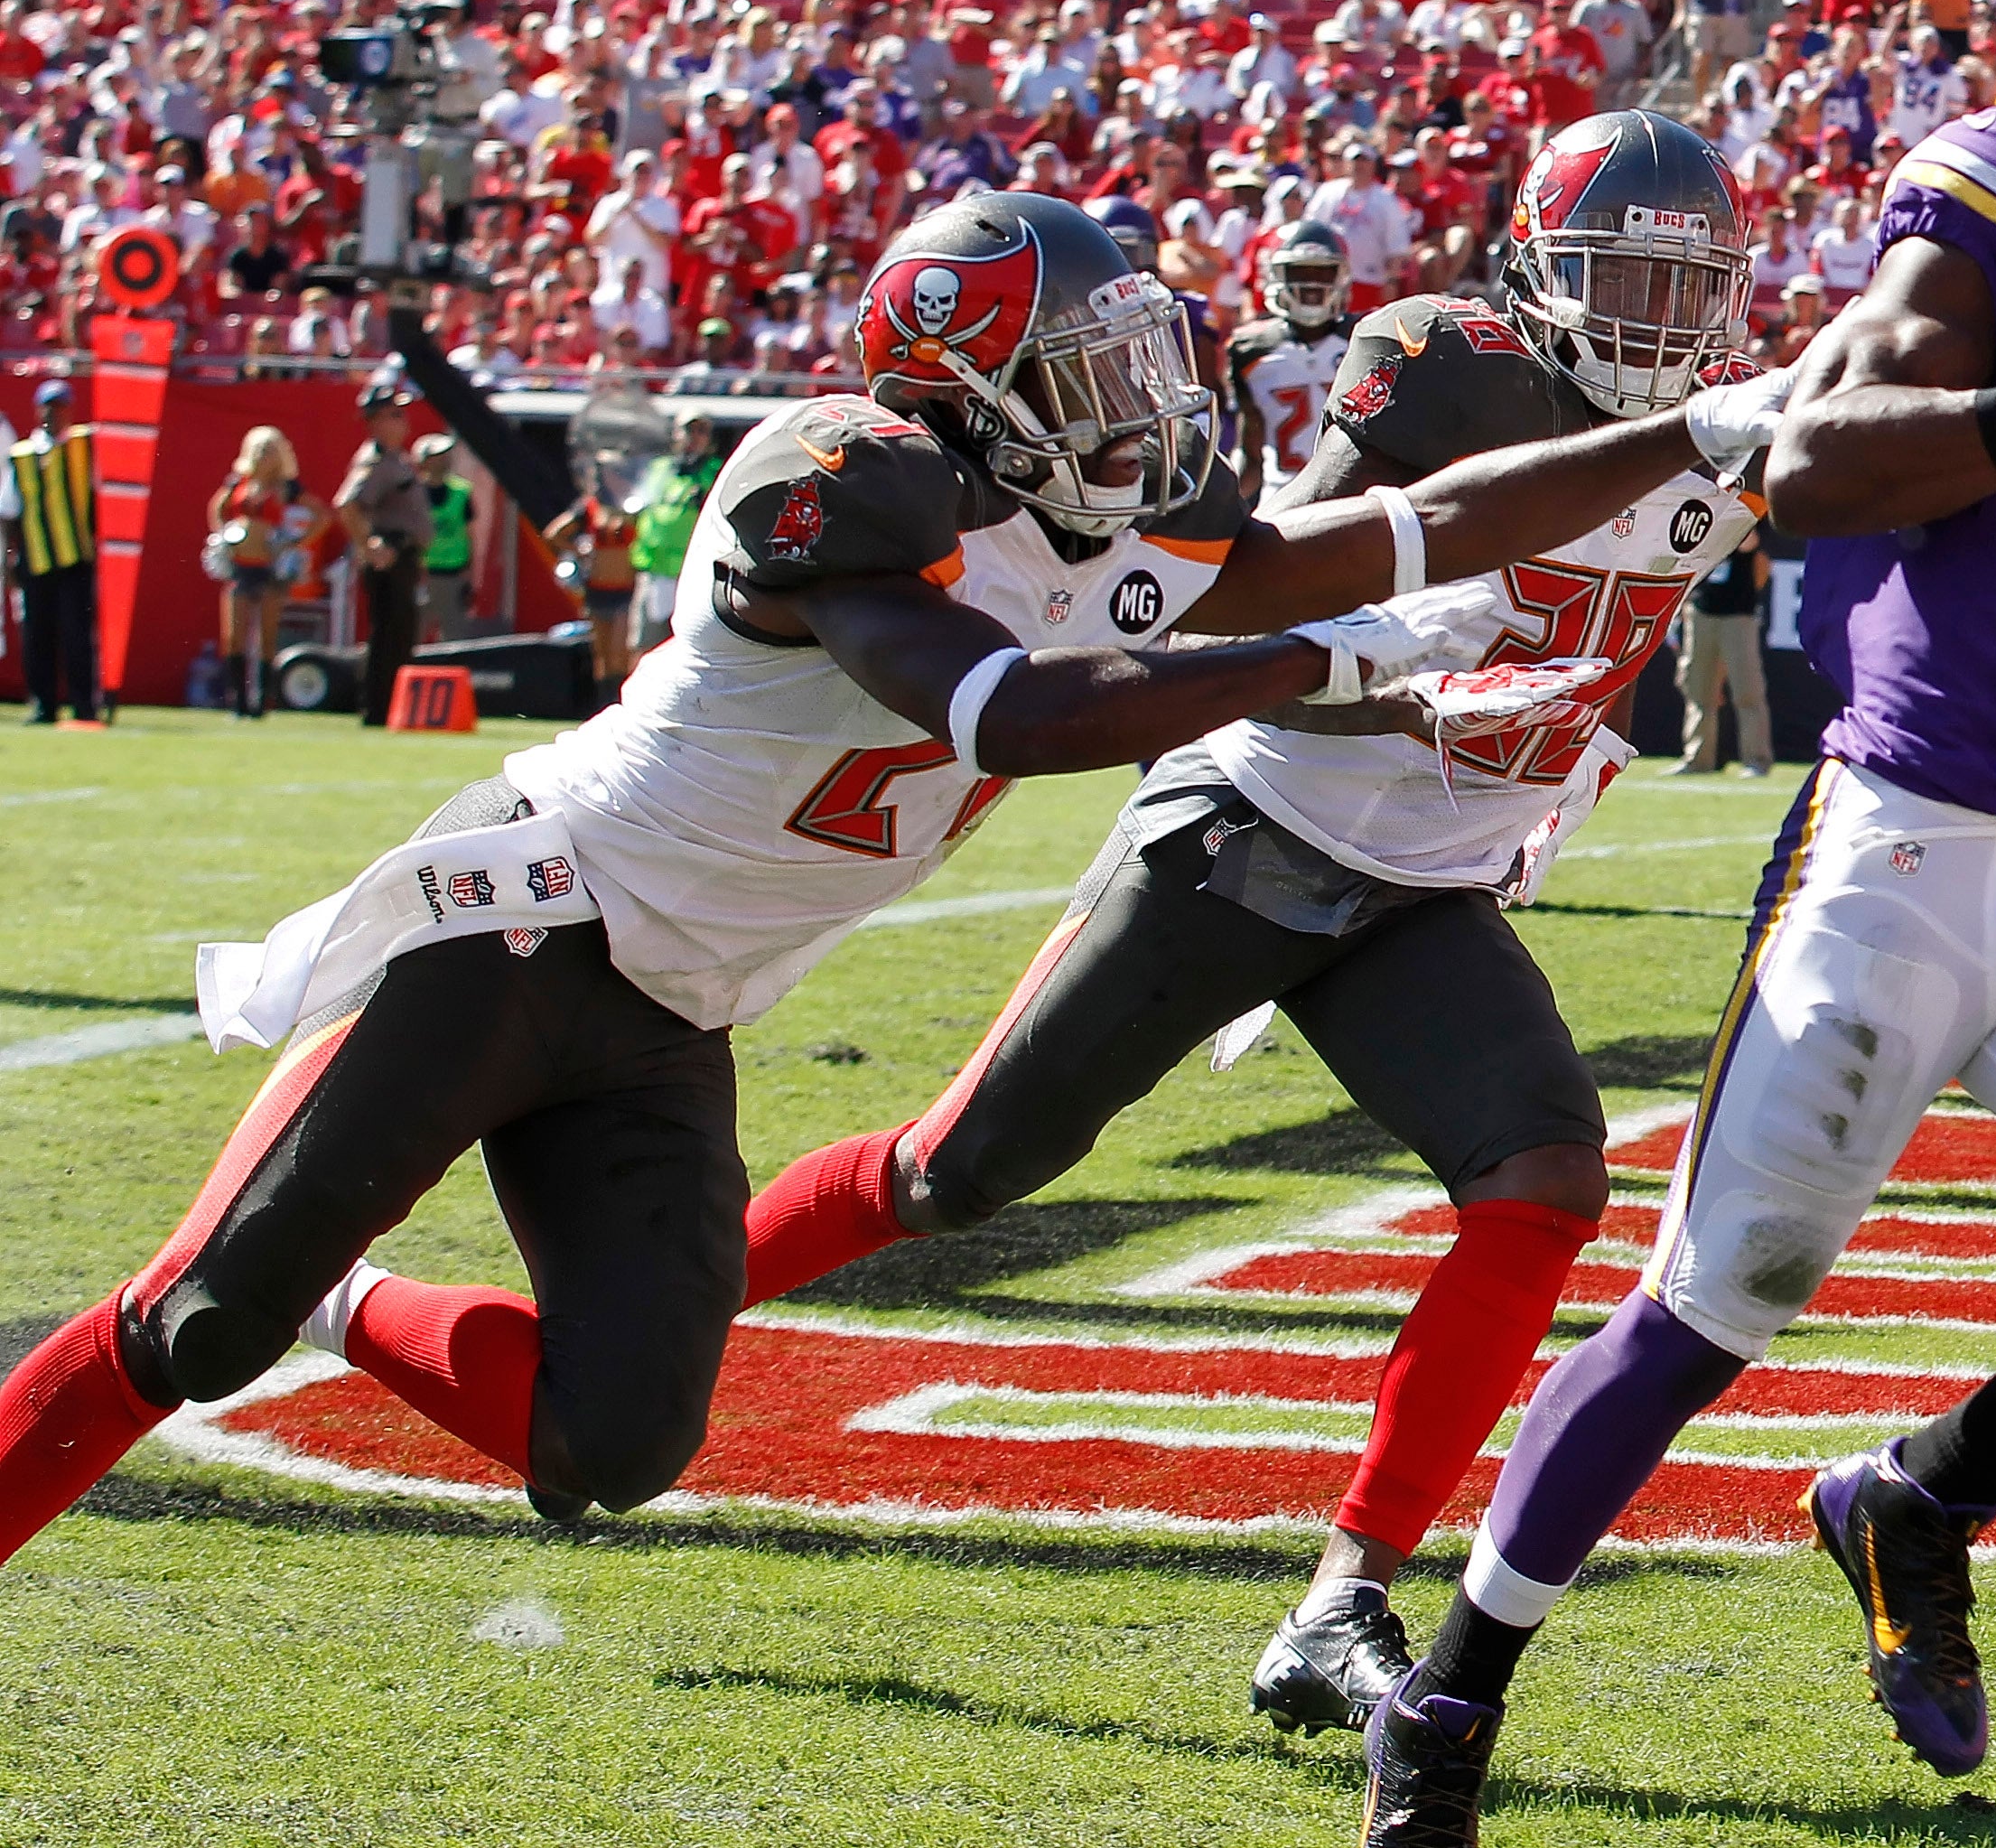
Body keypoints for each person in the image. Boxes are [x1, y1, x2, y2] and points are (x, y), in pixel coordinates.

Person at [0, 189, 1789, 1572]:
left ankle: (343, 1294)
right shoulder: (842, 483)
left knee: (615, 1449)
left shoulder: (1105, 529)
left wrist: (1689, 440)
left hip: (669, 1017)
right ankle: (246, 1311)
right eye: (1088, 378)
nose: (1137, 410)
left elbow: (1409, 529)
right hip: (521, 933)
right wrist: (1313, 665)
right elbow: (1004, 710)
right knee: (194, 1325)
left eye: (1135, 362)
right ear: (975, 390)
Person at [1360, 14, 1996, 1843]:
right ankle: (1447, 1699)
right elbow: (1811, 473)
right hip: (1896, 830)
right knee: (1716, 1300)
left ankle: (1921, 1496)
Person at [1227, 220, 1356, 498]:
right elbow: (1251, 450)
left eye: (1323, 273)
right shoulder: (1250, 349)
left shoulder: (1365, 338)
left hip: (1353, 496)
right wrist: (1226, 507)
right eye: (1300, 272)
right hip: (1282, 496)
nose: (1311, 285)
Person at [337, 373, 432, 727]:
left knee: (400, 634)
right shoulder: (375, 460)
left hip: (404, 556)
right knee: (388, 635)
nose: (403, 421)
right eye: (394, 414)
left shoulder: (395, 457)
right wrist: (369, 544)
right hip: (390, 557)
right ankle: (378, 709)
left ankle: (392, 706)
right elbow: (347, 504)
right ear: (374, 421)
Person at [4, 378, 98, 725]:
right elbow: (11, 512)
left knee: (77, 635)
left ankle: (83, 705)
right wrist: (12, 561)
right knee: (36, 636)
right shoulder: (22, 455)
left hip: (76, 558)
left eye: (59, 407)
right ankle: (43, 705)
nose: (52, 414)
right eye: (48, 406)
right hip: (36, 559)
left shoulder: (83, 446)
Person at [202, 425, 311, 720]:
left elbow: (321, 515)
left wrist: (293, 541)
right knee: (233, 637)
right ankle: (238, 702)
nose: (265, 457)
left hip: (270, 567)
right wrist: (223, 536)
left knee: (266, 637)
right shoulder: (239, 481)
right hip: (240, 565)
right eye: (260, 450)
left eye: (271, 451)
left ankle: (263, 701)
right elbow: (217, 508)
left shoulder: (287, 486)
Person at [1674, 517, 1773, 776]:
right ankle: (1697, 759)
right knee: (1698, 690)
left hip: (1738, 614)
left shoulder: (1748, 513)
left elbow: (1748, 545)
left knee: (1747, 691)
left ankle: (1756, 760)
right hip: (1701, 610)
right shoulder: (1704, 514)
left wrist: (1729, 521)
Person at [627, 415, 722, 665]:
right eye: (689, 430)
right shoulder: (659, 468)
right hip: (654, 571)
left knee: (687, 646)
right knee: (644, 645)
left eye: (702, 431)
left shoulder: (715, 471)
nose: (694, 437)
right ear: (676, 434)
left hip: (691, 575)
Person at [543, 457, 639, 686]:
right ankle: (602, 703)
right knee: (602, 655)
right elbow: (554, 533)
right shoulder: (590, 507)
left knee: (621, 653)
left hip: (626, 589)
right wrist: (578, 550)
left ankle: (620, 700)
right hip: (597, 587)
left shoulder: (634, 506)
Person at [413, 436, 476, 644]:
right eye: (438, 456)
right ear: (425, 461)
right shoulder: (412, 493)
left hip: (452, 574)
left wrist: (470, 573)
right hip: (420, 575)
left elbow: (469, 533)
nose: (445, 460)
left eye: (446, 455)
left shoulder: (461, 492)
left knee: (453, 637)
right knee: (413, 635)